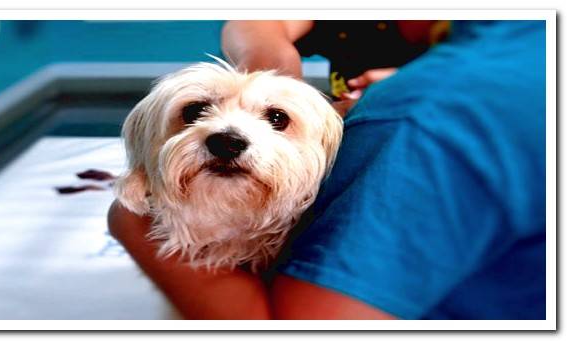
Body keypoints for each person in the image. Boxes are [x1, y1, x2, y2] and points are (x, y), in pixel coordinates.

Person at [108, 20, 546, 319]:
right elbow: (256, 21)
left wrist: (130, 222)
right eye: (196, 110)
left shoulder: (421, 119)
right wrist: (276, 82)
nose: (226, 132)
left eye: (276, 120)